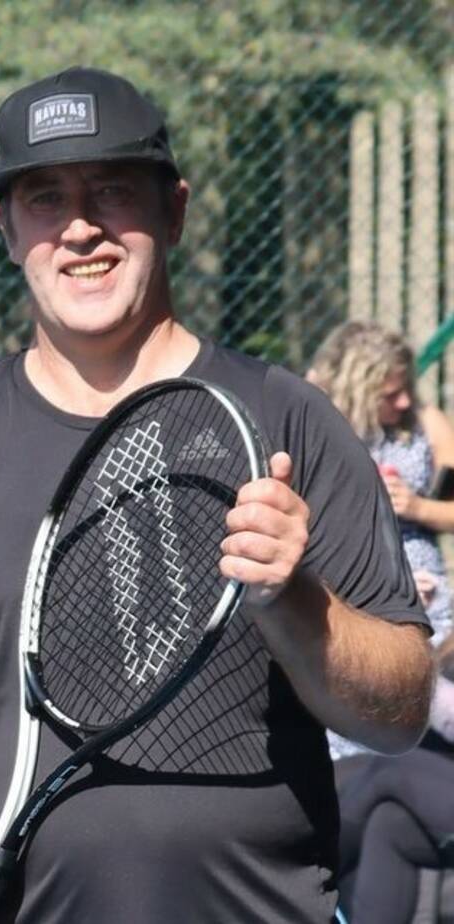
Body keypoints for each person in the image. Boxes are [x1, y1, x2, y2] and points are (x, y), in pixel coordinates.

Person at [0, 66, 433, 923]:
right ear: (8, 230)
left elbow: (403, 711)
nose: (81, 228)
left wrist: (295, 601)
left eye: (112, 190)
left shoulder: (286, 420)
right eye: (45, 199)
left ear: (177, 210)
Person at [305, 321, 454, 922]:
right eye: (390, 390)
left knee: (392, 820)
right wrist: (382, 588)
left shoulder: (414, 421)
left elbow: (447, 452)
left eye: (405, 389)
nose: (403, 400)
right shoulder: (318, 433)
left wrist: (417, 507)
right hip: (370, 622)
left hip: (435, 616)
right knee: (393, 786)